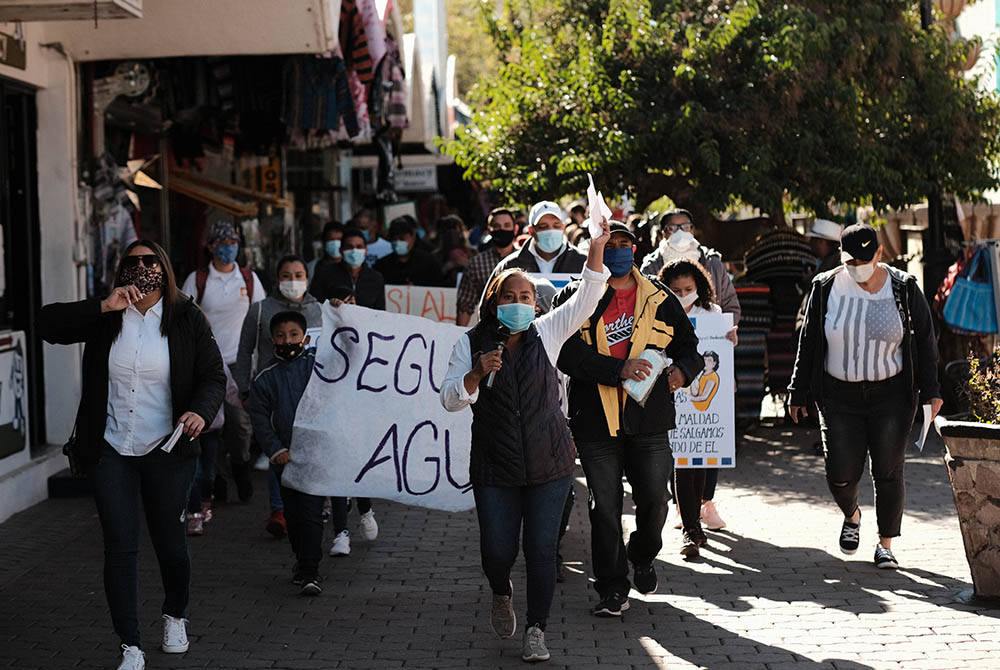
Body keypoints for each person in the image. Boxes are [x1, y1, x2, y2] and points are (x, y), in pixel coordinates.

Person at [39, 240, 226, 670]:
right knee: (120, 548)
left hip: (167, 448)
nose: (141, 268)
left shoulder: (187, 317)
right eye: (132, 262)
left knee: (170, 544)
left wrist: (200, 409)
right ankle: (131, 644)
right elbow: (48, 324)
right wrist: (102, 307)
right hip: (110, 449)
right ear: (121, 269)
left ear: (164, 268)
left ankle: (175, 614)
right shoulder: (108, 317)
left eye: (150, 261)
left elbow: (213, 375)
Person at [440, 218, 611, 663]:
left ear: (536, 304)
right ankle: (501, 590)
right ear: (493, 302)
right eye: (509, 297)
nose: (518, 304)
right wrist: (476, 373)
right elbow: (450, 400)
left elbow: (590, 293)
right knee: (498, 551)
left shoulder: (549, 333)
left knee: (540, 550)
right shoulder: (470, 343)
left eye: (525, 298)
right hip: (496, 467)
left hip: (549, 464)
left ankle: (536, 628)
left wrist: (597, 244)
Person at [554, 223, 703, 616]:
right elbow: (563, 353)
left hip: (649, 419)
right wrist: (617, 369)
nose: (618, 251)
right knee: (604, 508)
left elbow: (690, 348)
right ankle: (612, 588)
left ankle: (642, 554)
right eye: (610, 244)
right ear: (595, 247)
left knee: (655, 500)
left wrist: (682, 373)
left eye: (625, 244)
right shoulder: (574, 296)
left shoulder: (659, 295)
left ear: (636, 249)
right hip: (594, 422)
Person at [788, 223, 943, 570]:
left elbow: (925, 343)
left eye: (864, 258)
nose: (857, 265)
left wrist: (932, 391)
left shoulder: (904, 288)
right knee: (840, 474)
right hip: (839, 397)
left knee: (888, 471)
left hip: (891, 396)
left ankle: (885, 543)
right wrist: (797, 390)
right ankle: (853, 514)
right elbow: (809, 340)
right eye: (850, 259)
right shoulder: (826, 287)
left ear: (879, 254)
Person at [233, 255, 323, 538]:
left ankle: (313, 503)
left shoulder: (320, 310)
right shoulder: (259, 310)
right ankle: (279, 509)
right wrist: (245, 390)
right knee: (276, 452)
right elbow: (244, 351)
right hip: (271, 395)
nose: (293, 281)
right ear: (276, 279)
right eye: (286, 275)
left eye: (299, 274)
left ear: (307, 278)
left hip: (310, 398)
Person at [659, 259, 739, 556]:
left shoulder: (713, 314)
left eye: (689, 289)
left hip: (705, 405)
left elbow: (723, 347)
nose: (683, 294)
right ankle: (691, 529)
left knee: (701, 462)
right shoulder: (659, 314)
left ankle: (696, 520)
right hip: (674, 399)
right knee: (682, 463)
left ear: (700, 287)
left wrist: (730, 337)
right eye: (676, 290)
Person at [181, 221, 265, 503]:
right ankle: (217, 478)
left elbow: (261, 318)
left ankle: (241, 467)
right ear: (211, 246)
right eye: (223, 242)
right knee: (209, 426)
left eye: (233, 242)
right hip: (207, 365)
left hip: (239, 364)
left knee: (240, 426)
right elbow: (183, 317)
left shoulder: (249, 279)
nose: (229, 247)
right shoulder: (198, 279)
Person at [248, 311, 327, 595]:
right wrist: (275, 449)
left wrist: (342, 312)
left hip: (315, 455)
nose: (287, 340)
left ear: (305, 338)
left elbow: (348, 354)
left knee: (312, 513)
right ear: (272, 341)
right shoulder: (266, 378)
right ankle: (301, 560)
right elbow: (259, 418)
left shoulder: (316, 365)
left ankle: (310, 569)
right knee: (293, 515)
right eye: (281, 336)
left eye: (294, 335)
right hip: (285, 458)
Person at [640, 209, 741, 322]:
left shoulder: (712, 263)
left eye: (685, 227)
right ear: (664, 233)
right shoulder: (651, 266)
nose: (680, 232)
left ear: (692, 230)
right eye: (673, 228)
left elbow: (730, 306)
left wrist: (724, 332)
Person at [488, 201, 587, 282]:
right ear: (531, 231)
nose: (551, 231)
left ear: (563, 227)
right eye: (543, 226)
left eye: (556, 225)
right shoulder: (510, 266)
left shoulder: (584, 262)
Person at [457, 207, 518, 326]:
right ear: (489, 230)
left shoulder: (526, 260)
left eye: (507, 225)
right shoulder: (476, 264)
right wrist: (458, 335)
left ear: (515, 229)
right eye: (497, 226)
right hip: (488, 331)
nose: (502, 230)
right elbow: (465, 305)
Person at [310, 227, 387, 310]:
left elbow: (380, 311)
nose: (354, 251)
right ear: (341, 250)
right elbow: (315, 306)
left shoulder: (376, 278)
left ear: (366, 250)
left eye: (359, 247)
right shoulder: (324, 274)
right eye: (349, 247)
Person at [375, 216, 446, 286]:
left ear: (413, 237)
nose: (397, 242)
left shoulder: (428, 262)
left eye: (402, 239)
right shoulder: (382, 266)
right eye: (394, 239)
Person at [435, 214, 475, 287]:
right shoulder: (436, 256)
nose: (452, 233)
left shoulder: (473, 253)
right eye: (448, 229)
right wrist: (447, 267)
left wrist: (468, 265)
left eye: (455, 228)